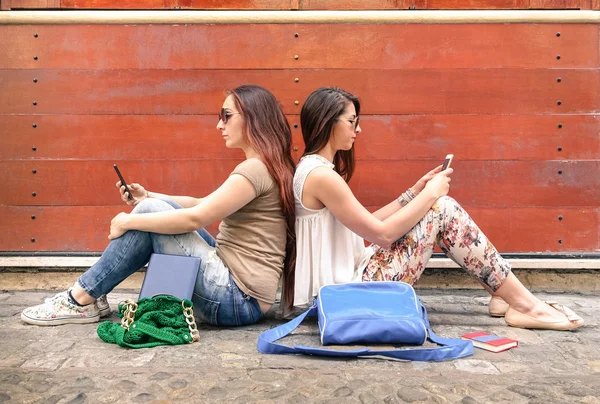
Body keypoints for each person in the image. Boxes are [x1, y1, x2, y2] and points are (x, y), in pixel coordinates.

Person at [293, 87, 583, 331]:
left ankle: (503, 293)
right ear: (329, 122)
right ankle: (526, 305)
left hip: (348, 285)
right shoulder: (321, 176)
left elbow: (363, 223)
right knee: (442, 208)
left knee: (439, 206)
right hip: (345, 296)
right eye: (351, 121)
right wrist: (430, 194)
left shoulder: (315, 170)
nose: (359, 129)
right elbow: (381, 234)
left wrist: (414, 192)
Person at [22, 85, 296, 327]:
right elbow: (203, 203)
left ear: (253, 118)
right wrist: (150, 196)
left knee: (148, 214)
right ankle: (90, 294)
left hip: (236, 299)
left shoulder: (255, 169)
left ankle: (79, 298)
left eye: (226, 115)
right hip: (240, 294)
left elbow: (196, 219)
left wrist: (128, 220)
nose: (219, 125)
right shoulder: (266, 165)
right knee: (152, 207)